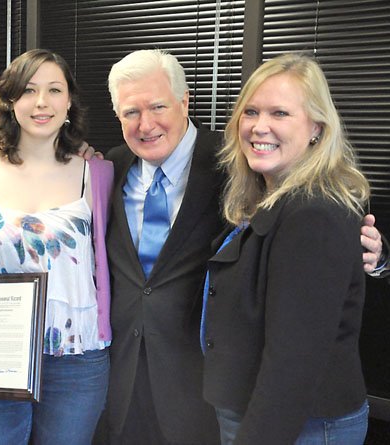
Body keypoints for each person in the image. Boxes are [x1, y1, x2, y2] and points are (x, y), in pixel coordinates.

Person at [96, 49, 385, 445]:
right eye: (131, 112)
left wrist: (376, 254)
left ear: (184, 102)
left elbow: (299, 341)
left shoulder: (234, 164)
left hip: (221, 394)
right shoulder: (110, 168)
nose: (146, 124)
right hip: (133, 379)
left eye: (158, 106)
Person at [0, 49, 114, 445]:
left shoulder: (99, 173)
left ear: (69, 101)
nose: (42, 102)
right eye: (29, 91)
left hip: (79, 359)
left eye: (54, 90)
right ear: (10, 101)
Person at [201, 53, 370, 444]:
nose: (260, 127)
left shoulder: (313, 214)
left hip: (299, 425)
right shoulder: (272, 196)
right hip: (259, 411)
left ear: (316, 128)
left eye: (280, 113)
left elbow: (293, 362)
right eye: (251, 112)